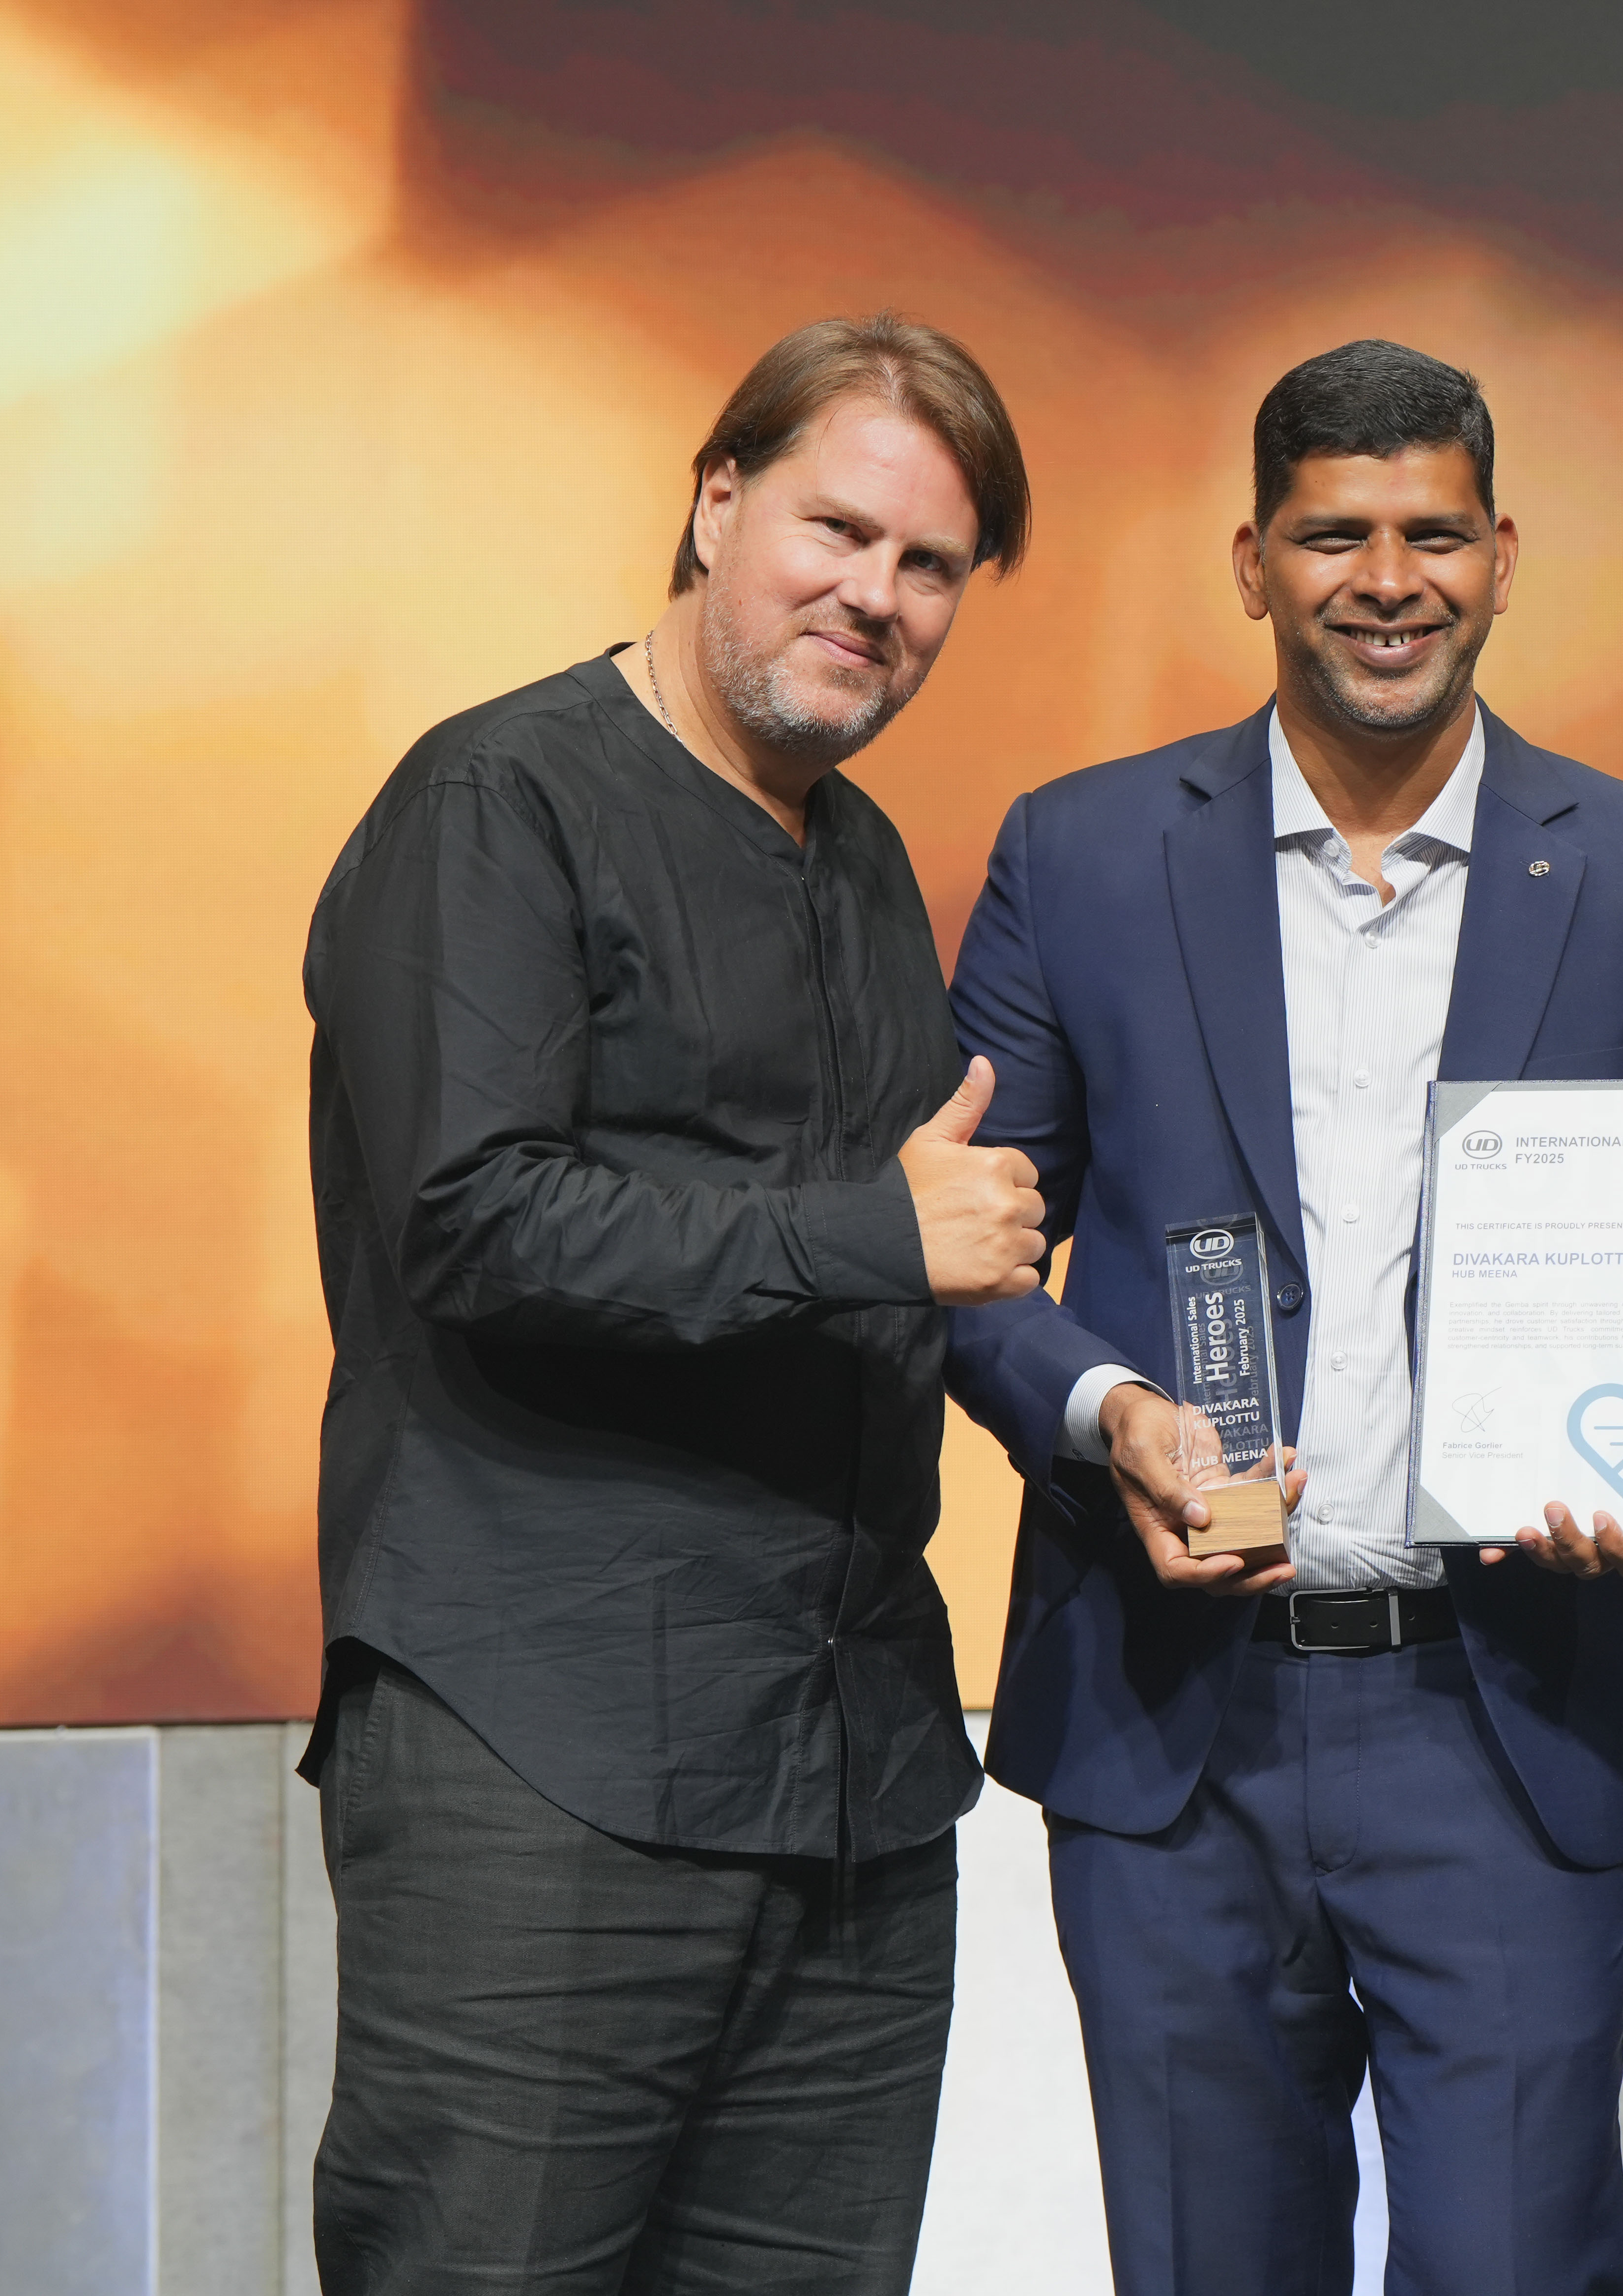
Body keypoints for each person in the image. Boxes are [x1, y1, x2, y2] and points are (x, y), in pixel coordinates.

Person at [945, 339, 1623, 2294]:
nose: (1388, 580)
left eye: (1434, 533)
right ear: (1252, 561)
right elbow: (968, 1250)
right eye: (1336, 536)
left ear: (1504, 557)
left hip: (1505, 1710)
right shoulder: (1079, 855)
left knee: (1514, 2266)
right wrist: (1107, 1413)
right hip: (1171, 1724)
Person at [297, 313, 1048, 2294]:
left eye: (930, 566)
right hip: (548, 1755)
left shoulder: (864, 860)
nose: (875, 596)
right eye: (837, 530)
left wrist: (1111, 1408)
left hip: (850, 1778)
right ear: (717, 503)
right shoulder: (498, 796)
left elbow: (922, 1260)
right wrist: (869, 1235)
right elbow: (475, 1221)